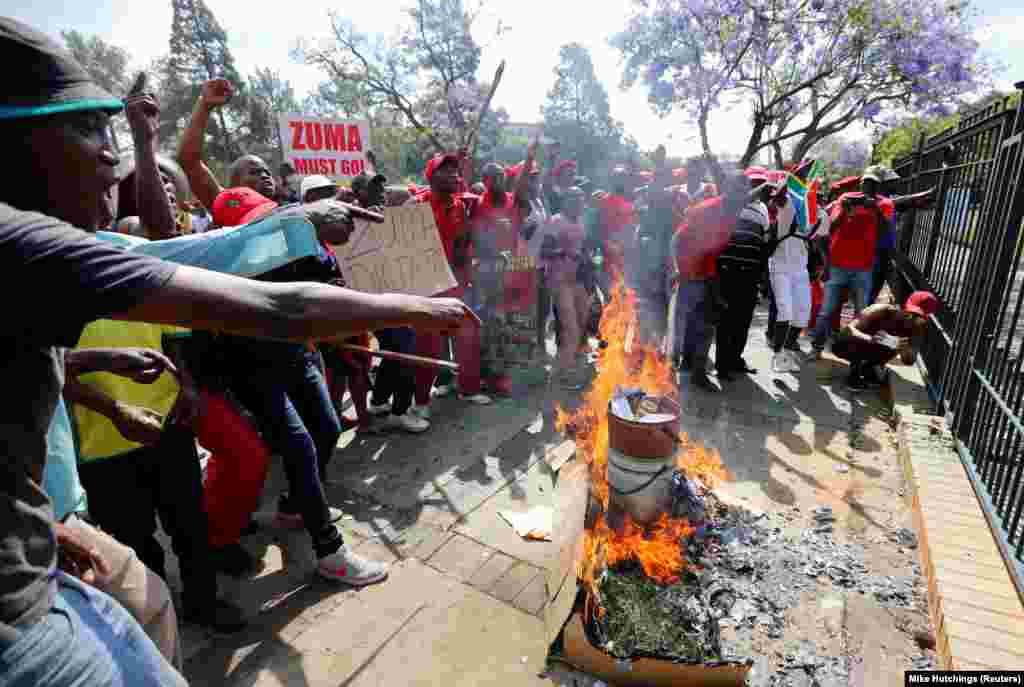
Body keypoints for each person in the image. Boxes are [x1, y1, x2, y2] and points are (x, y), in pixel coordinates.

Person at [1, 17, 473, 685]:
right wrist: (418, 308)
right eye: (84, 130)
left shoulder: (45, 246)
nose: (109, 156)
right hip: (17, 620)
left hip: (44, 529)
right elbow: (273, 305)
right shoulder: (18, 244)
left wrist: (296, 223)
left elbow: (176, 253)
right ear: (16, 148)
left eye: (111, 133)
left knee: (151, 602)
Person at [413, 152, 492, 416]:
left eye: (454, 171)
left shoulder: (461, 206)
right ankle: (421, 402)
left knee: (466, 335)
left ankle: (468, 389)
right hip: (429, 288)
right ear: (431, 176)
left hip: (457, 284)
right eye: (445, 171)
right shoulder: (416, 205)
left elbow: (464, 240)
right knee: (429, 345)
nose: (452, 175)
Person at [808, 165, 895, 360]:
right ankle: (816, 348)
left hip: (863, 268)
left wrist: (876, 211)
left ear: (878, 186)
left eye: (873, 184)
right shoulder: (845, 199)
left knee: (861, 314)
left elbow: (885, 232)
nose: (868, 187)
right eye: (866, 182)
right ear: (861, 182)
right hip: (837, 265)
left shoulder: (884, 204)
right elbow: (830, 228)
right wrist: (845, 211)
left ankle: (855, 355)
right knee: (826, 311)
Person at [713, 174, 771, 381]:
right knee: (726, 321)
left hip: (750, 274)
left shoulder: (763, 209)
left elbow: (764, 242)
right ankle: (722, 366)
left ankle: (736, 360)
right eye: (751, 184)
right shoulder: (727, 204)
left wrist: (762, 275)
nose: (754, 188)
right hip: (727, 271)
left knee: (743, 321)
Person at [831, 291, 937, 389]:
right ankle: (855, 370)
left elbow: (909, 361)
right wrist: (869, 339)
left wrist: (904, 349)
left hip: (876, 347)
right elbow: (850, 329)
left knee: (892, 345)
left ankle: (868, 367)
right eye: (912, 314)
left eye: (918, 316)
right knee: (852, 341)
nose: (912, 318)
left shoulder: (917, 328)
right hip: (850, 343)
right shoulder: (882, 309)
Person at [542, 186, 592, 389]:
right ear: (567, 201)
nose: (580, 203)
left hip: (577, 280)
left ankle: (566, 365)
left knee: (581, 323)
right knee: (570, 327)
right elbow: (545, 250)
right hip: (559, 281)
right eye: (575, 199)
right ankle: (564, 375)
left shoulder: (581, 221)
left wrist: (588, 260)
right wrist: (565, 252)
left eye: (582, 199)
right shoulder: (556, 221)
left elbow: (583, 247)